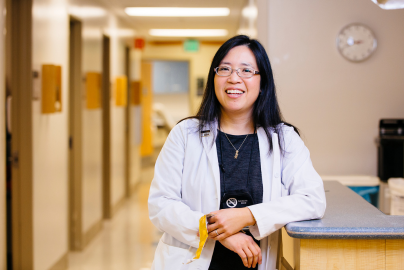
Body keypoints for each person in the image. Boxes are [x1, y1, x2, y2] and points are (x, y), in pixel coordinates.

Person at [148, 35, 326, 270]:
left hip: (257, 262)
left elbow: (312, 200)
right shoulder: (185, 134)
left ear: (262, 83)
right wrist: (220, 232)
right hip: (190, 262)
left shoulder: (284, 138)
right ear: (214, 77)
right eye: (225, 69)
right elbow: (162, 204)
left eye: (246, 70)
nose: (234, 78)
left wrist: (247, 216)